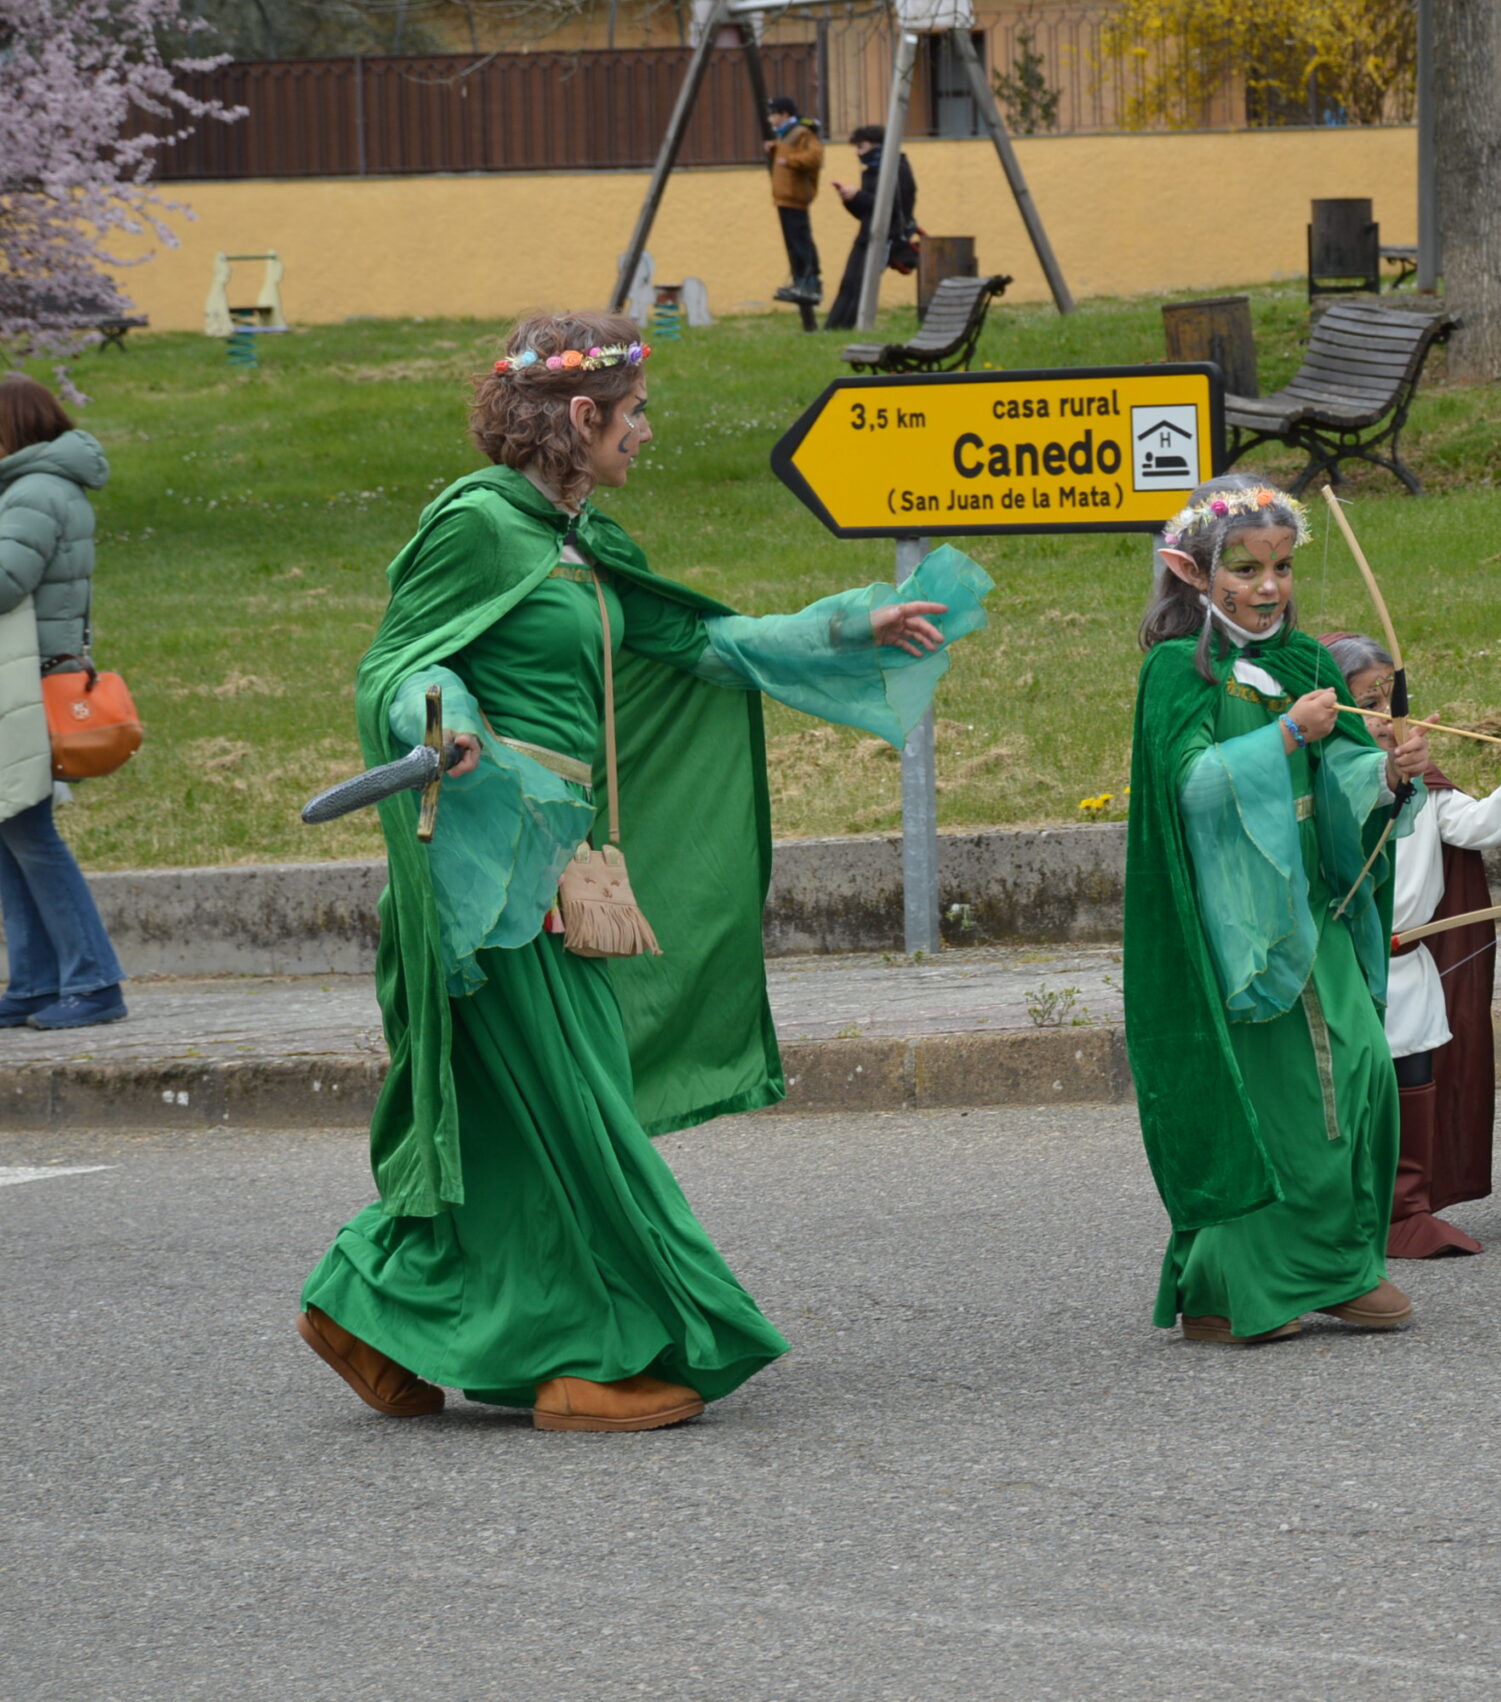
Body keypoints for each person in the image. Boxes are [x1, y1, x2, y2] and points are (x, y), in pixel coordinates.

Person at [297, 309, 989, 1431]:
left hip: (558, 863)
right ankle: (594, 1354)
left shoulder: (576, 539)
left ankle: (371, 1306)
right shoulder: (478, 523)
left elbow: (698, 643)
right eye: (635, 414)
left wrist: (848, 626)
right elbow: (401, 664)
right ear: (581, 417)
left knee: (525, 1116)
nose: (647, 433)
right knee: (573, 1109)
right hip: (491, 873)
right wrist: (453, 720)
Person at [1123, 476, 1431, 1345]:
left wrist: (1387, 772)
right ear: (1191, 572)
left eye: (1284, 568)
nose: (1268, 589)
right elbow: (1191, 788)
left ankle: (1337, 1263)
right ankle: (1232, 1288)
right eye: (1247, 570)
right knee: (1282, 1096)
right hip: (1233, 914)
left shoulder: (1304, 664)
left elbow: (1338, 785)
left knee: (1364, 1066)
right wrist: (1287, 735)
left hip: (1311, 896)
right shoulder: (1176, 674)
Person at [1321, 630, 1501, 1259]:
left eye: (1391, 699)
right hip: (1348, 967)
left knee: (1414, 1077)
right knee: (1352, 1093)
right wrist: (1385, 779)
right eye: (1367, 702)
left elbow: (1477, 826)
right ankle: (1345, 1214)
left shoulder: (1425, 783)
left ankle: (1407, 1212)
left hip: (1410, 963)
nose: (1388, 718)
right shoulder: (1322, 782)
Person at [0, 374, 126, 1031]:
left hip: (25, 686)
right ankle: (36, 982)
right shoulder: (42, 487)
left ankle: (94, 981)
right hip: (26, 680)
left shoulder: (34, 493)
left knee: (27, 830)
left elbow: (6, 579)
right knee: (10, 831)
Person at [822, 123, 919, 332]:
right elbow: (867, 212)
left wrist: (860, 196)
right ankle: (834, 328)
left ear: (877, 145)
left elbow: (893, 207)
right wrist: (850, 200)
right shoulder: (872, 172)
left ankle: (856, 327)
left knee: (863, 284)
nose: (858, 153)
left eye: (861, 147)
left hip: (888, 236)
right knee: (849, 283)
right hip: (867, 234)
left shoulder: (898, 169)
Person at [764, 96, 827, 307]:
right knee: (793, 244)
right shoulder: (785, 136)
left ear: (784, 115)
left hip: (796, 197)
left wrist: (788, 161)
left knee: (801, 243)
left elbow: (815, 158)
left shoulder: (802, 132)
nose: (770, 118)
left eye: (773, 114)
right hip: (784, 198)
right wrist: (775, 149)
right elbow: (787, 152)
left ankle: (811, 283)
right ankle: (799, 282)